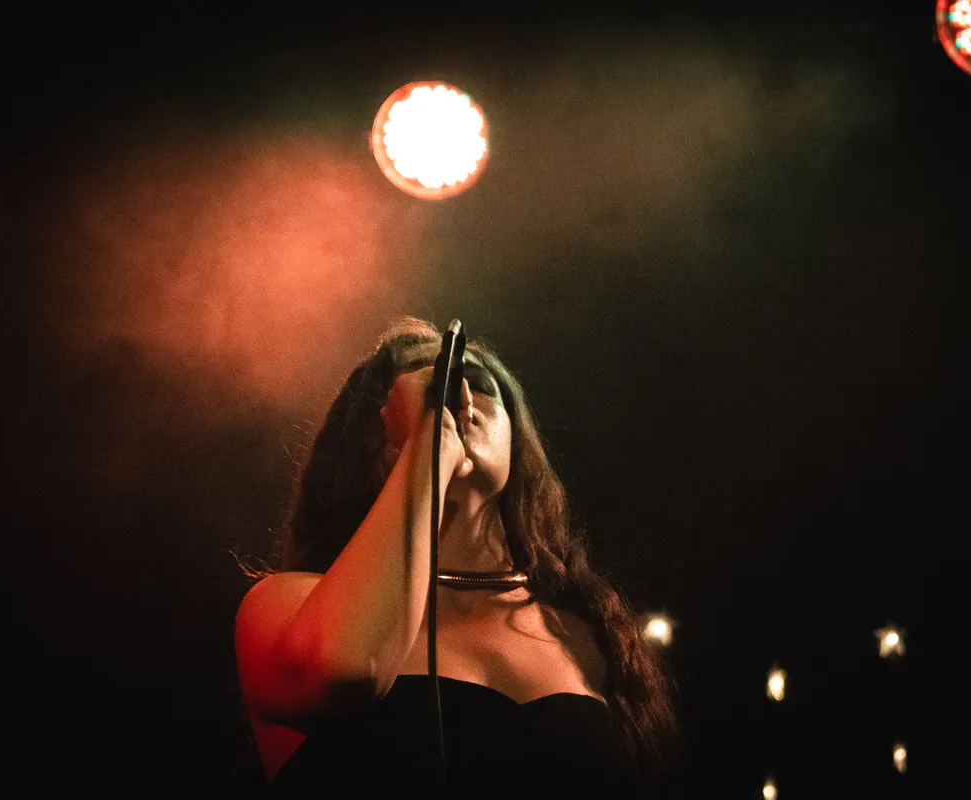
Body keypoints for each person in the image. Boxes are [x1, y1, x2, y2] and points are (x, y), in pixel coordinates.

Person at [234, 316, 678, 798]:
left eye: (478, 383)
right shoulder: (286, 604)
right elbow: (346, 669)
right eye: (421, 389)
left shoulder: (585, 631)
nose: (454, 394)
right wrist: (429, 442)